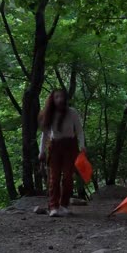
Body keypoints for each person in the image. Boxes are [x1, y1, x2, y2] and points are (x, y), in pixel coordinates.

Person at [38, 89, 85, 217]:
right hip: (55, 146)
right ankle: (53, 206)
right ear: (52, 99)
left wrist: (82, 146)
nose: (59, 99)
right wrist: (41, 151)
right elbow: (45, 135)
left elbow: (79, 131)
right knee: (54, 177)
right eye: (56, 97)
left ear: (65, 99)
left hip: (70, 146)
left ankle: (64, 205)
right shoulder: (49, 114)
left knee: (68, 177)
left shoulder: (72, 113)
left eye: (61, 97)